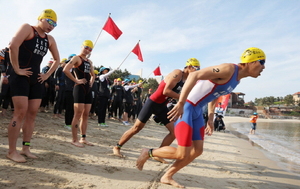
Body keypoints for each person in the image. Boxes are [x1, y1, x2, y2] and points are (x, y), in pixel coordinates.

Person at [136, 47, 266, 188]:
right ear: (250, 61)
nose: (263, 67)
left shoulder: (237, 80)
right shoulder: (228, 69)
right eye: (262, 62)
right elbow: (194, 75)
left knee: (197, 151)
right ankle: (148, 152)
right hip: (187, 108)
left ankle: (167, 176)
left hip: (197, 111)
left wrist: (210, 118)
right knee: (181, 153)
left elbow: (215, 95)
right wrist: (181, 102)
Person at [113, 58, 200, 161]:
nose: (198, 71)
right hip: (152, 103)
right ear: (189, 67)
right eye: (196, 69)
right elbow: (166, 91)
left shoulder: (188, 80)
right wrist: (182, 97)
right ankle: (117, 147)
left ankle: (157, 154)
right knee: (136, 128)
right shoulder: (177, 73)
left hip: (162, 106)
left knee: (174, 132)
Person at [7, 9, 60, 163]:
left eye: (55, 24)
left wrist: (46, 75)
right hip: (20, 76)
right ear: (41, 18)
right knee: (20, 113)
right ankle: (11, 151)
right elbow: (13, 46)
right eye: (49, 21)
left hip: (36, 79)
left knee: (32, 114)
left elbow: (57, 60)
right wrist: (16, 69)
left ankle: (26, 148)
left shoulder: (49, 39)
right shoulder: (28, 28)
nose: (52, 26)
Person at [63, 40, 95, 147]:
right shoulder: (77, 58)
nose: (87, 50)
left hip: (87, 89)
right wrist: (76, 80)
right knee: (77, 114)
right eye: (86, 47)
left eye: (90, 49)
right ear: (81, 47)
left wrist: (91, 82)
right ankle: (74, 139)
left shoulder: (89, 62)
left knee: (86, 115)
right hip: (79, 88)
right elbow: (66, 69)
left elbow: (93, 75)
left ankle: (83, 138)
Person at [63, 54, 76, 130]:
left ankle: (72, 123)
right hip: (68, 89)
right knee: (69, 107)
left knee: (73, 108)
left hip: (75, 90)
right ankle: (67, 123)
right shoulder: (68, 69)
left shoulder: (75, 70)